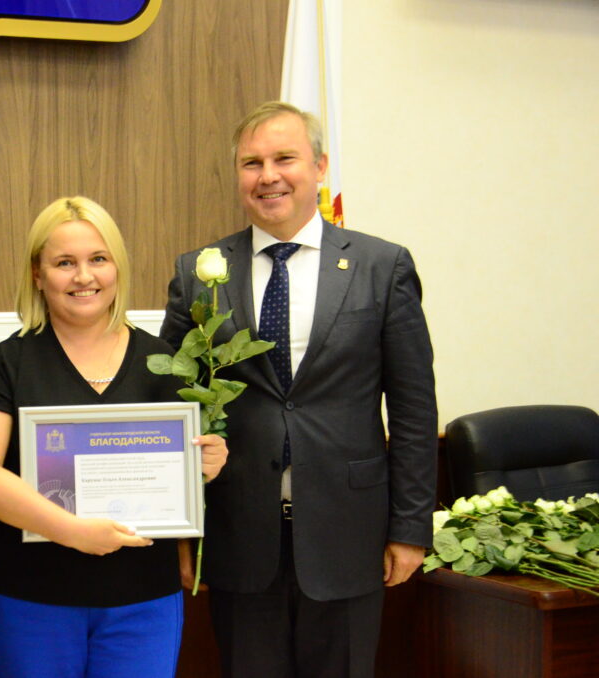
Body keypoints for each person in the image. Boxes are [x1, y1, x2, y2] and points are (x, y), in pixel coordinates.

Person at [161, 102, 437, 678]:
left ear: (320, 166)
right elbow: (173, 405)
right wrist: (179, 530)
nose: (268, 176)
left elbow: (414, 408)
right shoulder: (198, 273)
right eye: (251, 163)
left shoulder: (381, 266)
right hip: (238, 534)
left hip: (350, 531)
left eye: (284, 158)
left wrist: (411, 529)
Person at [0, 196, 229, 678]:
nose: (84, 276)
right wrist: (73, 531)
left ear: (117, 267)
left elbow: (181, 475)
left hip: (143, 599)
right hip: (30, 597)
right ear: (38, 275)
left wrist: (206, 462)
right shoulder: (7, 364)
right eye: (65, 263)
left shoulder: (166, 363)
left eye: (98, 259)